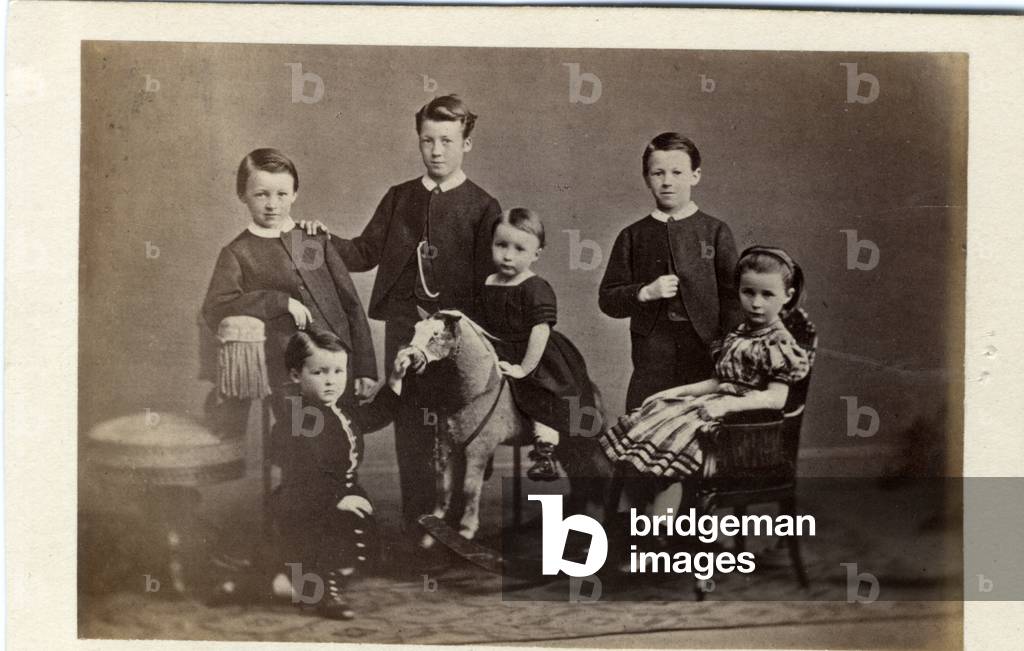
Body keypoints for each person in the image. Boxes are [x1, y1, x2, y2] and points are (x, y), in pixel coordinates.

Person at [300, 95, 501, 529]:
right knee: (410, 423)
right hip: (405, 328)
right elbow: (362, 252)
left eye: (447, 140)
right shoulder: (399, 198)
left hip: (455, 339)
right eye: (427, 140)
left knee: (453, 426)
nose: (436, 151)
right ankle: (419, 524)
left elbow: (491, 281)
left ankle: (457, 524)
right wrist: (319, 237)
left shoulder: (483, 207)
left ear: (467, 144)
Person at [599, 246, 811, 508]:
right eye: (748, 292)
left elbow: (776, 398)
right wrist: (675, 392)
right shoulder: (739, 333)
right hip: (714, 409)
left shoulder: (779, 343)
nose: (756, 303)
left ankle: (658, 534)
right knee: (652, 415)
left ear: (787, 296)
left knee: (671, 458)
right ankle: (636, 526)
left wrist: (728, 404)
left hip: (744, 427)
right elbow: (719, 382)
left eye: (767, 295)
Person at [202, 148, 378, 412]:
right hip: (289, 373)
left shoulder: (312, 238)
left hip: (341, 367)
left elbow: (350, 304)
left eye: (282, 194)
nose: (272, 204)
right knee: (299, 440)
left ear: (294, 194)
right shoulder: (237, 253)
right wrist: (278, 302)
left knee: (345, 436)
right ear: (242, 195)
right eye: (261, 194)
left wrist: (366, 367)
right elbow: (216, 308)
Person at [271, 326, 409, 620]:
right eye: (320, 373)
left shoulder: (340, 409)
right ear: (297, 375)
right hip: (306, 499)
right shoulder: (299, 416)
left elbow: (376, 415)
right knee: (332, 532)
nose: (331, 381)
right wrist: (338, 498)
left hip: (342, 493)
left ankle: (297, 582)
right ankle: (321, 592)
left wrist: (395, 379)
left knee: (361, 545)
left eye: (338, 371)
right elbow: (304, 471)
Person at [598, 133, 742, 413]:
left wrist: (729, 346)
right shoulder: (632, 235)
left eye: (677, 172)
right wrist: (644, 292)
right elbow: (608, 299)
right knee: (646, 419)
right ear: (646, 178)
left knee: (702, 423)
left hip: (706, 349)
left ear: (695, 175)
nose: (667, 181)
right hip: (653, 354)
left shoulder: (715, 231)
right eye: (658, 173)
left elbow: (733, 298)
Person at [477, 208, 598, 481]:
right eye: (501, 245)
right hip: (499, 351)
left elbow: (540, 331)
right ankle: (480, 452)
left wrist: (524, 369)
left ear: (536, 254)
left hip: (536, 356)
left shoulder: (535, 287)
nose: (508, 255)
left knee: (543, 396)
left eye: (520, 249)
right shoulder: (488, 282)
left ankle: (545, 450)